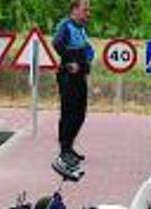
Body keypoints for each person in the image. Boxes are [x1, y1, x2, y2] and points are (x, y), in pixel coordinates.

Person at [53, 0, 94, 166]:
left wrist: (85, 62)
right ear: (75, 10)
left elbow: (89, 50)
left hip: (81, 75)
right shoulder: (66, 26)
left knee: (80, 114)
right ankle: (64, 151)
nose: (88, 14)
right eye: (85, 10)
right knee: (69, 114)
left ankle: (69, 147)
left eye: (88, 10)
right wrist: (71, 62)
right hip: (68, 77)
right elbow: (56, 43)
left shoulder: (81, 29)